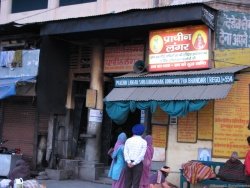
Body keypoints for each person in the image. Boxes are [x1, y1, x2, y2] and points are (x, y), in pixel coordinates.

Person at [124, 124, 147, 188]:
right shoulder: (144, 142)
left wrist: (128, 162)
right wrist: (134, 163)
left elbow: (125, 152)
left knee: (127, 182)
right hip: (138, 164)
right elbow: (141, 155)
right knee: (136, 183)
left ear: (133, 131)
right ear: (142, 132)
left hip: (128, 163)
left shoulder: (128, 140)